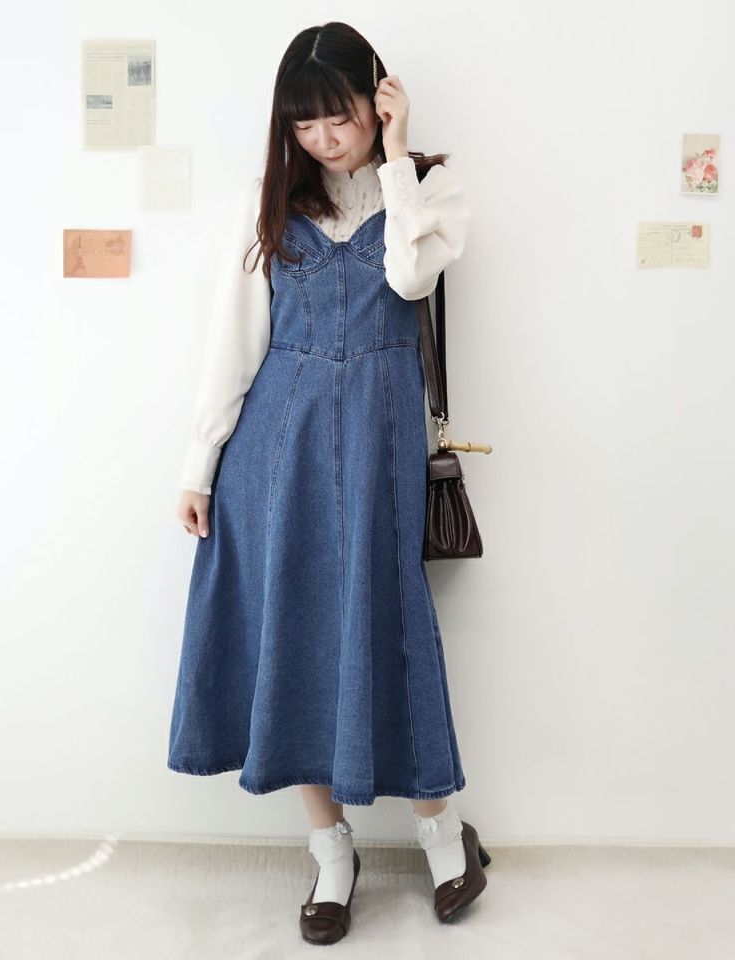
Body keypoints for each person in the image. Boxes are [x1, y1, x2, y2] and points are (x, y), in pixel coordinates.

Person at [167, 21, 490, 944]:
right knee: (293, 634)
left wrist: (395, 154)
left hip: (381, 445)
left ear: (376, 100)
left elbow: (411, 279)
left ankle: (443, 836)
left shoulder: (428, 190)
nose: (322, 140)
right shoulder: (268, 202)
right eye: (303, 125)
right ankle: (331, 851)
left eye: (339, 117)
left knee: (392, 625)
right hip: (276, 451)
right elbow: (235, 340)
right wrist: (200, 465)